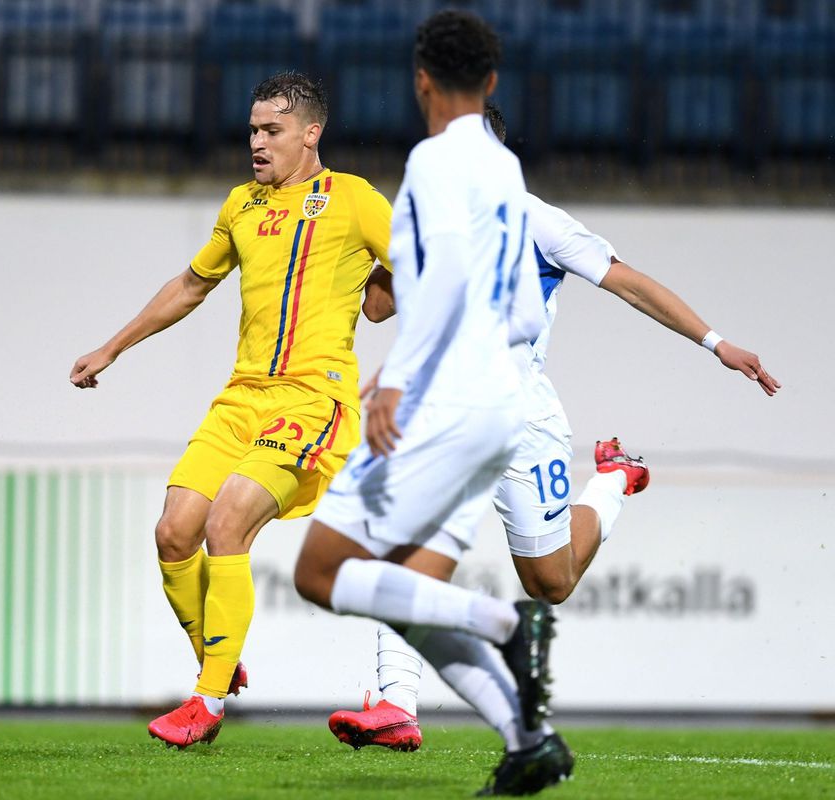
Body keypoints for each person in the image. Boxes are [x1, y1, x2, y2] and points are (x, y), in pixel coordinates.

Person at [323, 100, 781, 794]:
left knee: (552, 583)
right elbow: (379, 308)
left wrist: (717, 344)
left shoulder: (538, 222)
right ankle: (397, 706)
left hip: (522, 417)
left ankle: (614, 483)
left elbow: (629, 283)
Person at [289, 10, 569, 796]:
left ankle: (508, 625)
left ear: (420, 80)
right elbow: (519, 310)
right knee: (405, 584)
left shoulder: (436, 163)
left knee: (321, 572)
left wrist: (399, 379)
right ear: (491, 82)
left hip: (445, 402)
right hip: (504, 403)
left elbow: (435, 281)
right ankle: (527, 740)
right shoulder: (505, 170)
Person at [69, 71, 393, 748]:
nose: (256, 141)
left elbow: (430, 273)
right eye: (252, 130)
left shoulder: (355, 200)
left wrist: (398, 324)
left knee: (227, 521)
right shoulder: (241, 205)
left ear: (312, 133)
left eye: (271, 130)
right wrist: (112, 347)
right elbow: (191, 285)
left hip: (312, 400)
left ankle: (207, 702)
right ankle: (218, 660)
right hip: (241, 396)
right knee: (173, 533)